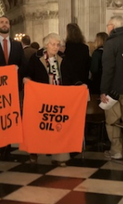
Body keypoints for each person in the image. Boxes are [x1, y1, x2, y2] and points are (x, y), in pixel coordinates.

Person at [22, 33, 78, 166]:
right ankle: (34, 153)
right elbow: (28, 73)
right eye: (53, 44)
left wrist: (79, 85)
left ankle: (59, 157)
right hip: (41, 97)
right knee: (39, 125)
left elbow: (71, 76)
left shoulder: (64, 59)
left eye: (58, 44)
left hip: (59, 97)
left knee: (58, 127)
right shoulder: (36, 59)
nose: (55, 47)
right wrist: (27, 79)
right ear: (46, 45)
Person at [0, 15, 24, 161]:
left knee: (9, 119)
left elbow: (23, 64)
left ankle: (7, 150)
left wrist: (18, 71)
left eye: (6, 22)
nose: (4, 24)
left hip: (12, 88)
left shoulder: (17, 45)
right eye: (1, 22)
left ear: (10, 25)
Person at [100, 16, 123, 159]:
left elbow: (108, 69)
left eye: (108, 25)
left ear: (113, 27)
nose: (107, 28)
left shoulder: (111, 43)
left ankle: (116, 150)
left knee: (112, 121)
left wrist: (104, 90)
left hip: (113, 90)